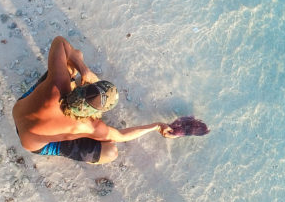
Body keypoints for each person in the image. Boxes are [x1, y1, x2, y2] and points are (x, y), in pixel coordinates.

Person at [11, 35, 176, 163]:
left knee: (75, 57)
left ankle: (77, 70)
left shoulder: (58, 84)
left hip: (19, 110)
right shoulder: (89, 126)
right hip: (35, 145)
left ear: (84, 87)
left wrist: (84, 70)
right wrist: (156, 126)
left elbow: (59, 41)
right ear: (96, 112)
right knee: (110, 152)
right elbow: (121, 135)